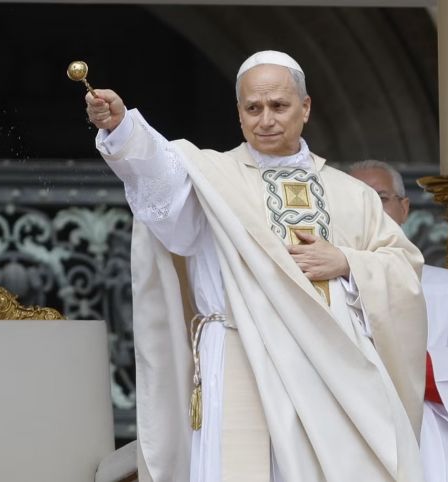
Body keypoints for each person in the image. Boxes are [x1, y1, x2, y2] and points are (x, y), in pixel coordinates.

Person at [85, 51, 428, 482]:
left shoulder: (351, 194)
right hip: (236, 351)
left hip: (330, 370)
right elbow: (160, 173)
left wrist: (346, 262)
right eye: (253, 108)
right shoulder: (211, 178)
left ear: (305, 108)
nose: (266, 119)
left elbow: (404, 269)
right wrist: (122, 129)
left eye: (279, 106)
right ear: (239, 113)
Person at [349, 160, 448, 482]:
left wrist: (404, 365)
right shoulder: (323, 287)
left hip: (429, 440)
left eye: (380, 197)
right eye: (355, 198)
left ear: (404, 208)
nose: (368, 207)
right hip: (349, 435)